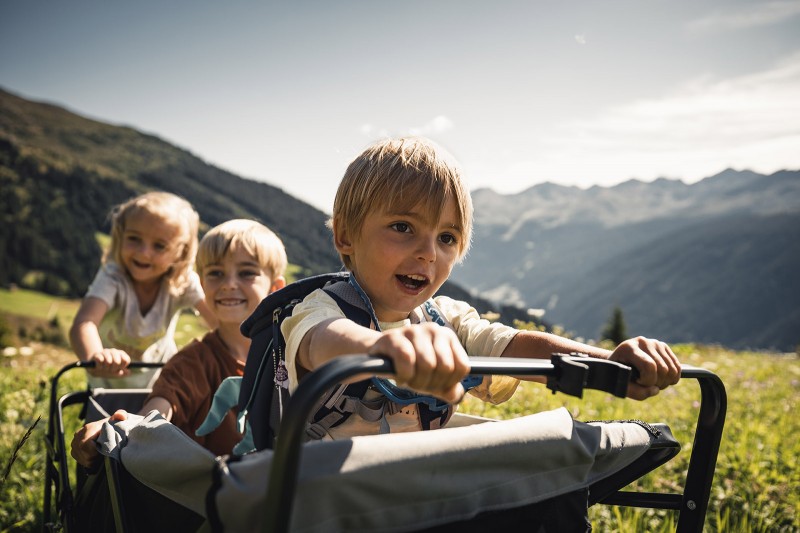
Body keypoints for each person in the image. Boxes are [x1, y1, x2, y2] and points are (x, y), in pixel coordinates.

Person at [281, 136, 681, 439]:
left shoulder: (446, 319)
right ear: (347, 236)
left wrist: (608, 362)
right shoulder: (320, 310)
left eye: (447, 238)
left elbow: (515, 346)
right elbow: (321, 343)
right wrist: (378, 349)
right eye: (403, 228)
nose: (428, 254)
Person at [71, 219, 288, 465]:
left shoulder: (289, 355)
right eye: (215, 273)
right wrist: (121, 427)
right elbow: (156, 413)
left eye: (247, 273)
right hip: (213, 493)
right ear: (202, 284)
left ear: (275, 288)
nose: (229, 284)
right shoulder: (193, 362)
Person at [69, 191, 217, 389]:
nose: (143, 252)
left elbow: (219, 322)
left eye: (159, 246)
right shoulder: (113, 276)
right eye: (134, 238)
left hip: (161, 387)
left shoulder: (182, 281)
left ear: (180, 252)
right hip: (107, 389)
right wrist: (96, 356)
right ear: (120, 236)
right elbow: (84, 323)